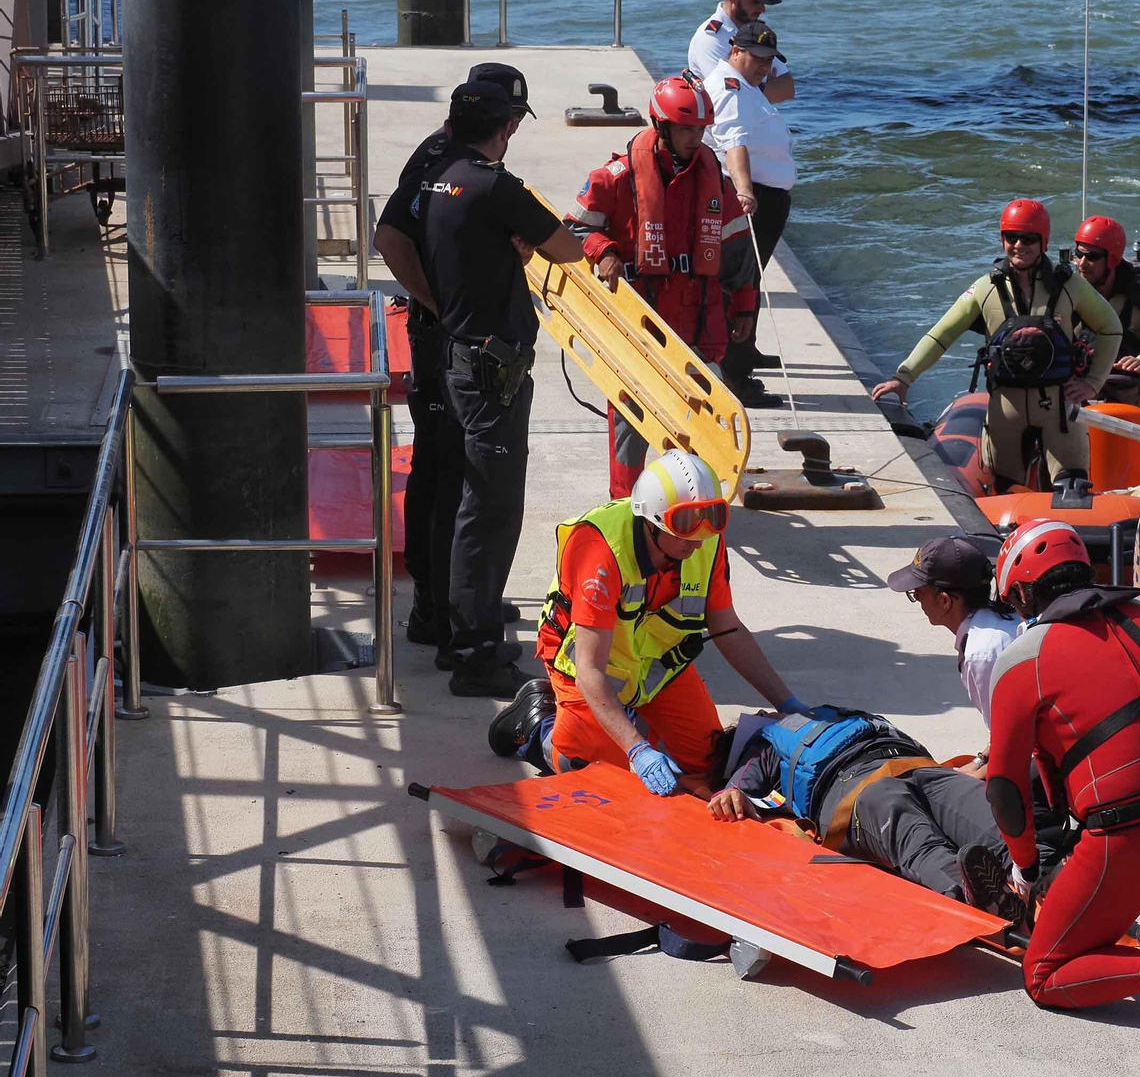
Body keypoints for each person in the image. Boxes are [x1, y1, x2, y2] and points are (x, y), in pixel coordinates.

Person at [973, 519, 1140, 1043]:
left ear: (1026, 591)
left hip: (1139, 839)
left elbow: (1004, 790)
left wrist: (1028, 870)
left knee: (1044, 974)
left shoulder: (1020, 661)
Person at [488, 449, 808, 793]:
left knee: (711, 763)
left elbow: (728, 628)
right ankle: (537, 725)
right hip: (586, 667)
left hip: (656, 670)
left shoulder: (705, 544)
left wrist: (788, 705)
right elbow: (590, 670)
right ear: (651, 521)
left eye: (711, 517)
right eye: (685, 523)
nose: (699, 537)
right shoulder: (601, 550)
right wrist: (637, 749)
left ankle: (631, 721)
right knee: (598, 773)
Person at [412, 81, 585, 697]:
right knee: (489, 511)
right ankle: (476, 654)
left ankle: (460, 630)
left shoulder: (439, 178)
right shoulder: (495, 186)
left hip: (457, 355)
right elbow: (567, 249)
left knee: (462, 502)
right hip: (492, 370)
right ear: (505, 126)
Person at [374, 62, 533, 666]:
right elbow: (389, 236)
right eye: (511, 120)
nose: (513, 132)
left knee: (454, 472)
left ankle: (465, 601)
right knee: (449, 473)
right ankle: (443, 612)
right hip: (445, 340)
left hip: (453, 336)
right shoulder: (441, 159)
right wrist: (437, 306)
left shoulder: (460, 159)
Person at [566, 76, 775, 500]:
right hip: (638, 325)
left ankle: (692, 501)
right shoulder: (614, 177)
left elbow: (738, 253)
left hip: (700, 322)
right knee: (631, 416)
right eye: (685, 129)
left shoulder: (713, 176)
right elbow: (572, 231)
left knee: (703, 419)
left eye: (700, 129)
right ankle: (624, 502)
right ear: (660, 126)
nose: (694, 138)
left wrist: (746, 311)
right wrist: (604, 250)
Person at [871, 201, 1123, 493]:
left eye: (1028, 239)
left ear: (1043, 241)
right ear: (1002, 239)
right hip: (1006, 411)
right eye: (1010, 237)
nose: (1018, 245)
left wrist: (1092, 383)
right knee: (1006, 492)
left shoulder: (1070, 286)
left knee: (1072, 490)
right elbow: (941, 335)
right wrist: (903, 377)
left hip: (1059, 410)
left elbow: (1111, 327)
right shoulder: (984, 288)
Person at [708, 707, 1026, 920]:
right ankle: (981, 898)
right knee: (912, 833)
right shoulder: (765, 743)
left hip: (919, 768)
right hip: (853, 787)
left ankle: (1040, 872)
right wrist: (729, 793)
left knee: (989, 816)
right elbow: (736, 792)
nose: (765, 711)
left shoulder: (828, 715)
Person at [705, 21, 795, 399]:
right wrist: (744, 191)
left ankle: (739, 367)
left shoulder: (746, 87)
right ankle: (736, 379)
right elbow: (733, 143)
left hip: (765, 196)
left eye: (769, 60)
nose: (764, 66)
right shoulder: (730, 90)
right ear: (734, 50)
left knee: (746, 284)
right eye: (757, 58)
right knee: (741, 286)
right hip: (752, 199)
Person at [886, 535, 1019, 775]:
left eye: (917, 593)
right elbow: (1007, 732)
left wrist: (966, 780)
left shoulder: (982, 653)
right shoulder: (1002, 622)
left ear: (944, 601)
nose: (916, 599)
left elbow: (1019, 746)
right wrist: (978, 762)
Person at [1073, 216, 1140, 431]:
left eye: (1092, 257)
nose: (1082, 264)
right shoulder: (1068, 289)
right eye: (1079, 255)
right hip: (1080, 384)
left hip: (1136, 385)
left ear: (1111, 259)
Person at [685, 0, 794, 104]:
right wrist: (764, 86)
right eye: (755, 1)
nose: (763, 9)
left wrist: (752, 86)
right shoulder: (710, 40)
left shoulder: (755, 32)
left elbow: (787, 88)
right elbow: (733, 98)